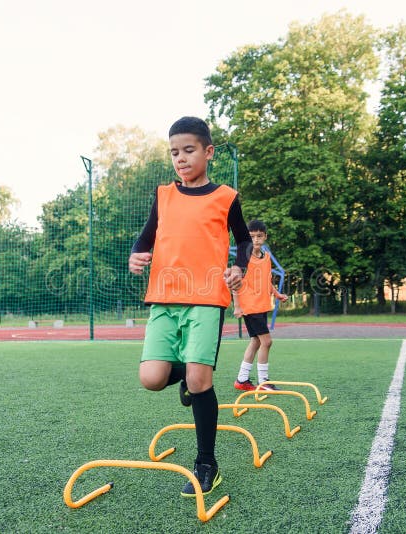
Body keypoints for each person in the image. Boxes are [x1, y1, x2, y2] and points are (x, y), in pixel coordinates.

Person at [129, 116, 252, 497]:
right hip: (164, 299)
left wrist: (239, 267)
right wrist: (137, 254)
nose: (180, 159)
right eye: (174, 153)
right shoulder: (164, 195)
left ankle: (206, 465)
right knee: (151, 378)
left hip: (206, 298)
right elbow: (145, 237)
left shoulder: (225, 197)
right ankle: (187, 373)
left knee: (201, 382)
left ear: (208, 152)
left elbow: (245, 242)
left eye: (188, 150)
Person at [232, 220, 288, 391]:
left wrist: (277, 294)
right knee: (267, 342)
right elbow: (234, 282)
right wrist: (237, 306)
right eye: (252, 237)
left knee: (256, 341)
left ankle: (242, 380)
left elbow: (267, 280)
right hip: (250, 306)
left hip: (262, 305)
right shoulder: (244, 258)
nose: (255, 240)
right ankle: (264, 382)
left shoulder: (266, 257)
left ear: (265, 237)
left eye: (259, 236)